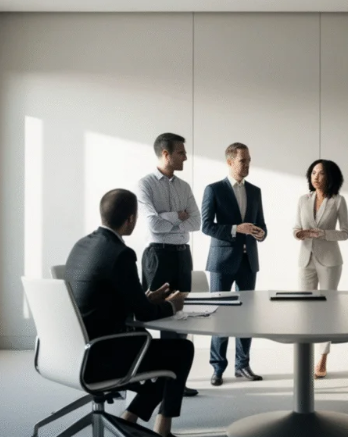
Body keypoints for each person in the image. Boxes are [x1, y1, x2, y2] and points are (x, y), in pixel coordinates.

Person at [64, 189, 193, 437]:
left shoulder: (82, 245)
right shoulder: (120, 254)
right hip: (103, 356)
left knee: (163, 356)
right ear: (131, 219)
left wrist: (144, 297)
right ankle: (160, 429)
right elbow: (144, 315)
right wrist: (172, 305)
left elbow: (103, 297)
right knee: (180, 352)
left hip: (75, 350)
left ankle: (129, 418)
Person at [137, 132, 201, 397]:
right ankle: (151, 377)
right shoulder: (146, 184)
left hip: (182, 253)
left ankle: (176, 379)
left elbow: (196, 222)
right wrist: (178, 216)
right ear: (166, 154)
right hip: (158, 254)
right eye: (181, 152)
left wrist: (168, 218)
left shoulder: (184, 187)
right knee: (154, 313)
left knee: (180, 316)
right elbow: (153, 224)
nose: (185, 156)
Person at [201, 142, 267, 387]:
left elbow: (262, 224)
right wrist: (234, 229)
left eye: (249, 160)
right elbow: (206, 226)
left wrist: (260, 233)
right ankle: (218, 368)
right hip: (221, 262)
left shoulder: (256, 191)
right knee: (219, 315)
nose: (247, 165)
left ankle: (242, 365)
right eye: (243, 161)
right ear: (230, 162)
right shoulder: (214, 189)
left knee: (246, 316)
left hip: (248, 261)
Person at [293, 159, 348, 379]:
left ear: (330, 177)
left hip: (329, 261)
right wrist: (298, 233)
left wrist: (323, 234)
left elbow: (345, 233)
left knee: (327, 310)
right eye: (313, 173)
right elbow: (296, 227)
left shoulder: (338, 201)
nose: (316, 177)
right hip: (305, 259)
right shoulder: (303, 200)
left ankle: (323, 357)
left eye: (321, 173)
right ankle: (305, 355)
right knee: (305, 308)